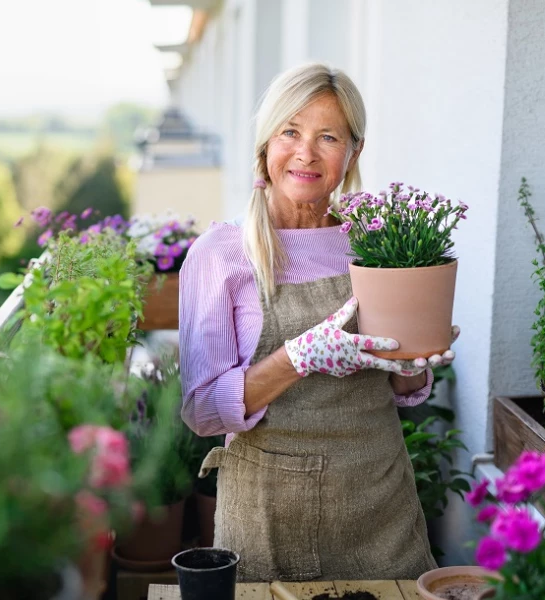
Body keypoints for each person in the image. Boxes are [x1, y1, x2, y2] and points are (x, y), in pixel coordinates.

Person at [179, 63, 459, 583]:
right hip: (268, 514)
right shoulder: (220, 255)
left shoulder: (375, 243)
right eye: (290, 131)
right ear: (266, 144)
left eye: (327, 136)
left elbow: (399, 384)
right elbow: (200, 411)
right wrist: (297, 358)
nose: (306, 152)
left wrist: (417, 364)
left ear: (353, 152)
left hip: (380, 503)